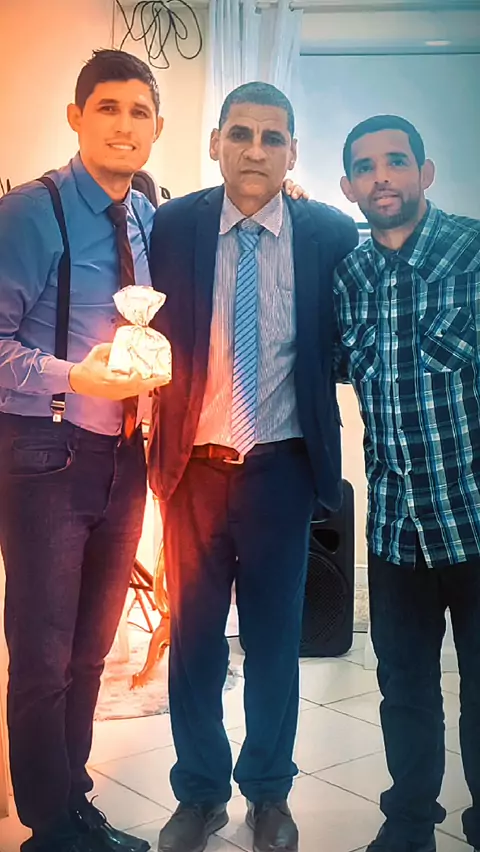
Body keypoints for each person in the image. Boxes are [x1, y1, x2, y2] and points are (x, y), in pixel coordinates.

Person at [146, 81, 358, 852]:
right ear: (215, 144)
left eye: (273, 138)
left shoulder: (330, 232)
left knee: (274, 645)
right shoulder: (173, 225)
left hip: (282, 470)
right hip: (193, 472)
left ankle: (269, 793)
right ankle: (199, 793)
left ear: (293, 152)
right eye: (240, 134)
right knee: (194, 645)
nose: (256, 151)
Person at [0, 49, 167, 852]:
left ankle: (73, 800)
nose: (124, 125)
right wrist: (76, 376)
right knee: (41, 656)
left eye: (139, 112)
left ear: (157, 127)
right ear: (76, 117)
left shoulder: (147, 212)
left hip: (123, 458)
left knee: (93, 650)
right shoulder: (29, 212)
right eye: (108, 107)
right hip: (45, 453)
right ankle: (48, 827)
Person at [334, 114, 480, 852]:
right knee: (405, 689)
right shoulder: (350, 276)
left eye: (396, 161)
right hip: (396, 527)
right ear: (348, 187)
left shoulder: (473, 251)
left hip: (475, 518)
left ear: (425, 172)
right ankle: (409, 822)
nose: (381, 176)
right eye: (365, 167)